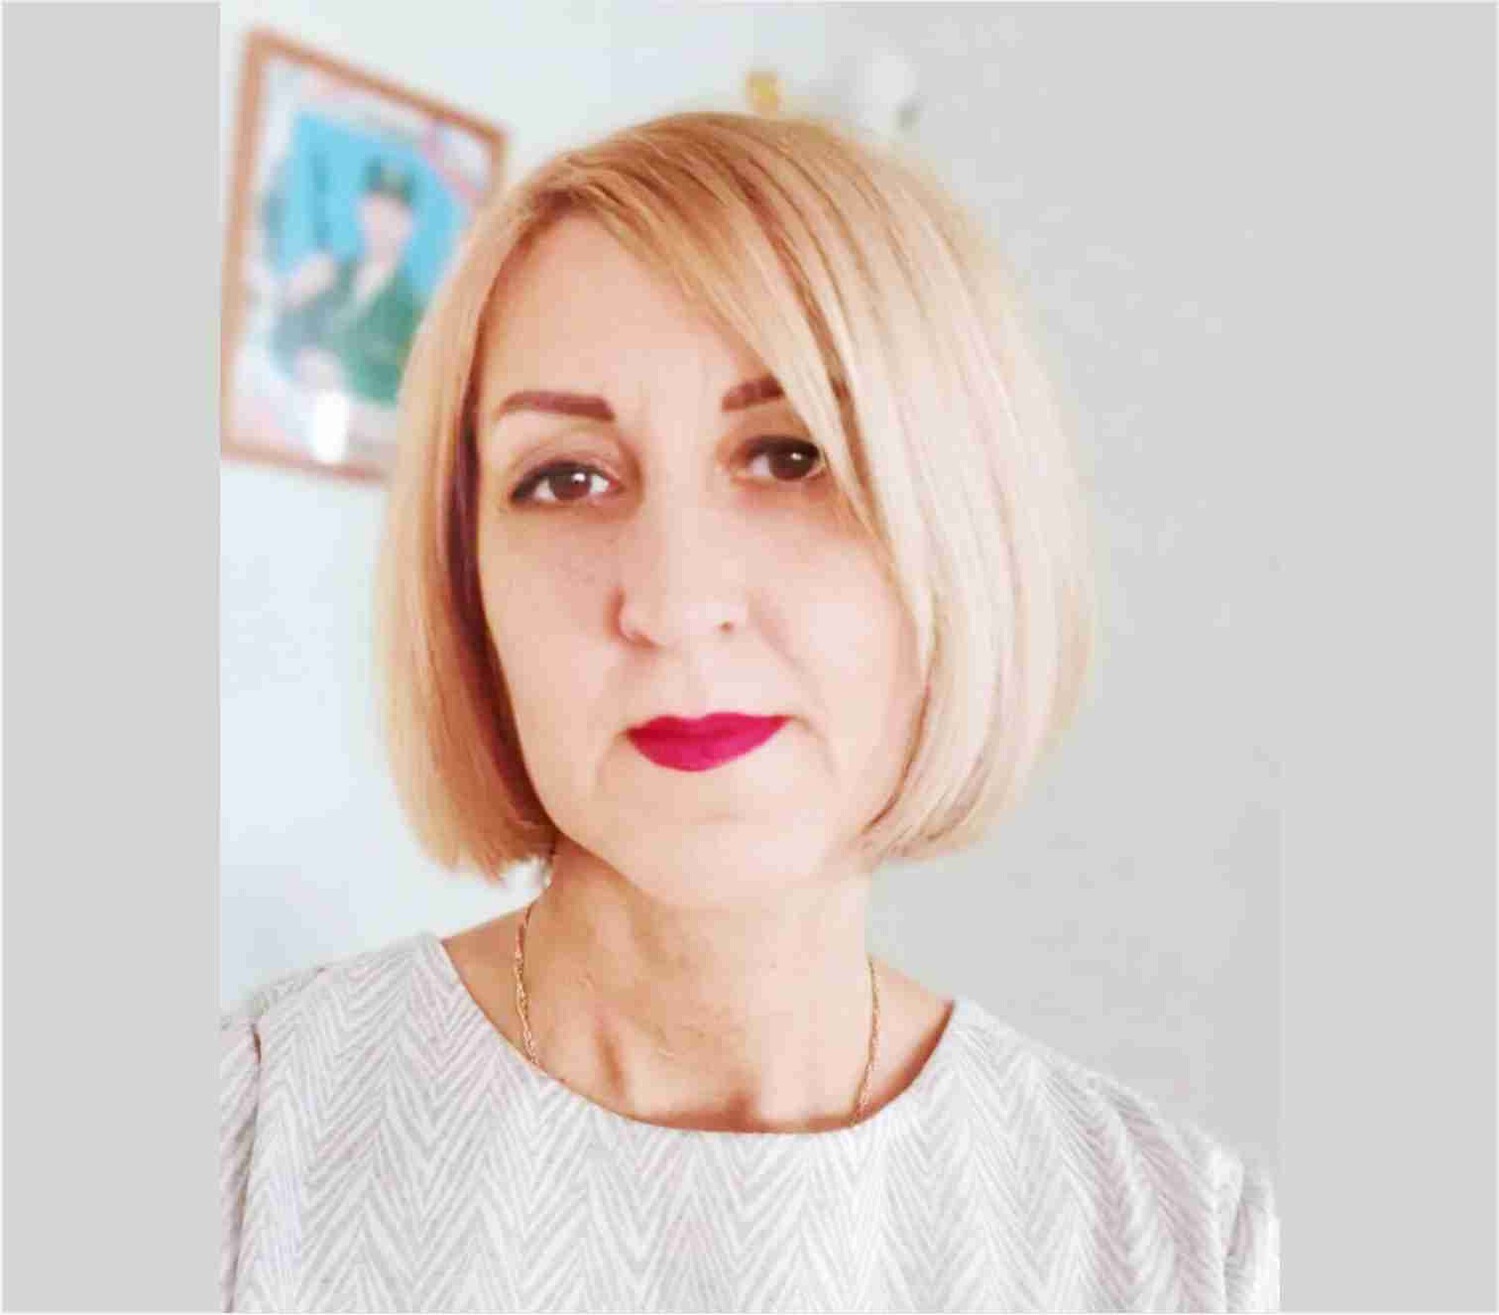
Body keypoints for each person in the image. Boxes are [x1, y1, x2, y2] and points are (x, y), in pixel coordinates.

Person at [220, 111, 1280, 1312]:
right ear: (467, 587)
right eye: (565, 476)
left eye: (790, 456)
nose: (675, 605)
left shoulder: (1183, 1248)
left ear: (965, 528)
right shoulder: (237, 1145)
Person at [268, 157, 426, 408]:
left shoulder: (413, 312)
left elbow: (410, 394)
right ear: (361, 211)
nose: (382, 223)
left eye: (393, 213)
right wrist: (290, 300)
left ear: (410, 224)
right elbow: (277, 346)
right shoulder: (326, 276)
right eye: (375, 209)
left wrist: (346, 379)